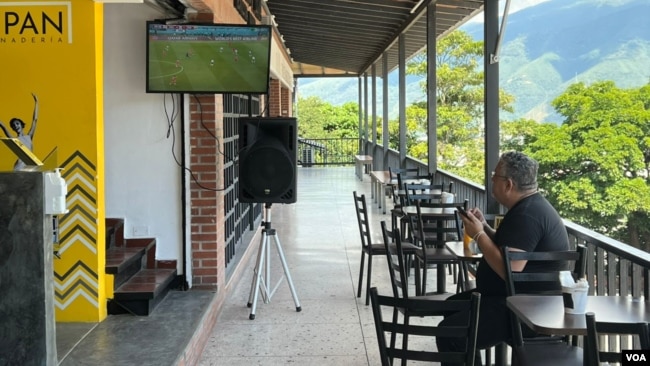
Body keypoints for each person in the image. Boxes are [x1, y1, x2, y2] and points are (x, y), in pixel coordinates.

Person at [437, 151, 570, 363]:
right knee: (452, 307)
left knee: (451, 333)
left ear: (508, 184)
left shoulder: (527, 215)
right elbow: (509, 249)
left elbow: (510, 270)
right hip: (514, 299)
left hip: (527, 310)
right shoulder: (528, 207)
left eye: (495, 176)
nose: (491, 180)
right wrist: (486, 228)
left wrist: (479, 234)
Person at [0, 93, 39, 171]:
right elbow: (3, 126)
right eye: (13, 125)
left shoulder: (29, 136)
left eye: (17, 124)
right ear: (13, 129)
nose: (16, 126)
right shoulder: (14, 140)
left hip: (30, 167)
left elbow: (35, 120)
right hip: (20, 168)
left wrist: (36, 102)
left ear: (21, 125)